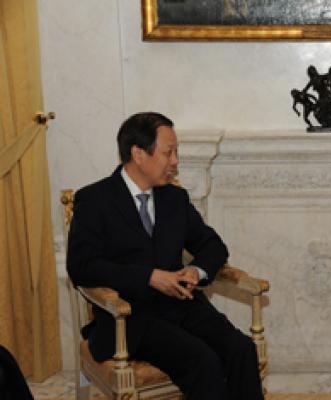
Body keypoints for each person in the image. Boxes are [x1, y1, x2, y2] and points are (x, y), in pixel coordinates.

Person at [67, 112, 263, 399]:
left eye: (176, 152)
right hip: (129, 319)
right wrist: (149, 277)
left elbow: (213, 246)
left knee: (241, 349)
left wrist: (196, 271)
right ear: (138, 154)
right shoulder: (95, 200)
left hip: (182, 307)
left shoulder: (174, 198)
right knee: (202, 361)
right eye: (168, 152)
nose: (175, 161)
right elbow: (82, 266)